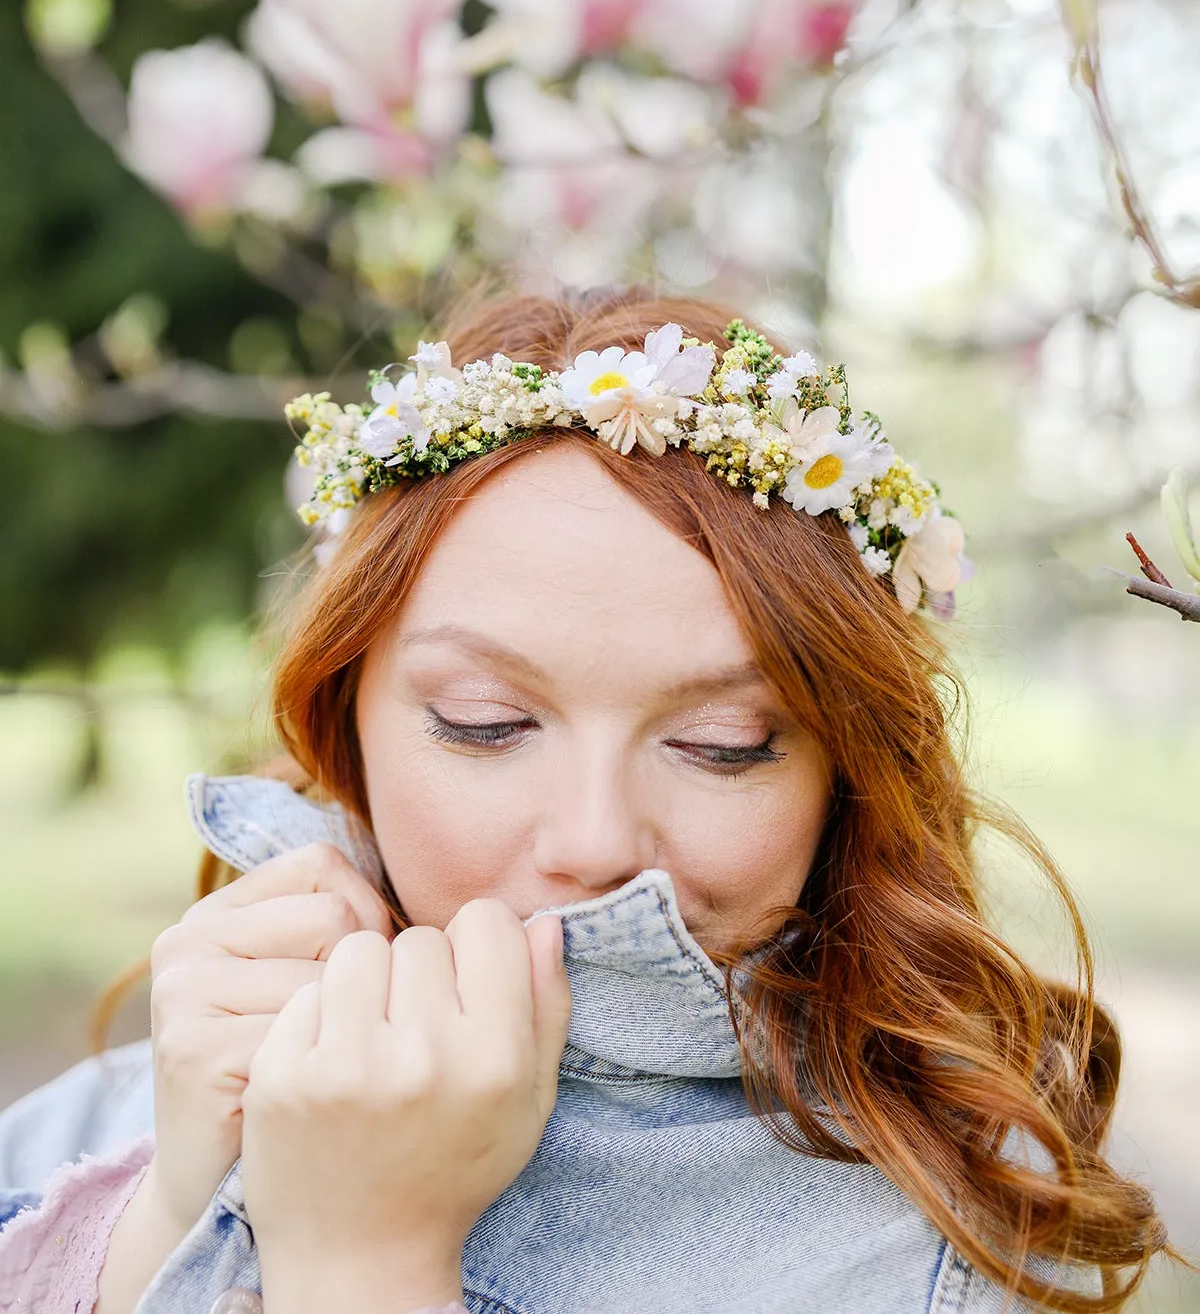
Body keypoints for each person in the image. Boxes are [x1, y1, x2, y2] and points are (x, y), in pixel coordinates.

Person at [0, 286, 1173, 1314]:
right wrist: (160, 1220)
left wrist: (368, 1270)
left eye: (724, 744)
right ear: (343, 721)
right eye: (485, 724)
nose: (599, 842)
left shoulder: (943, 1248)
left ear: (848, 775)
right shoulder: (131, 1104)